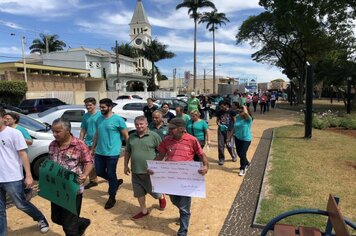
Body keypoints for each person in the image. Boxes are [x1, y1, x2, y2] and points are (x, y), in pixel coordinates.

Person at [150, 118, 208, 236]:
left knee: (184, 208)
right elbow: (160, 155)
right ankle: (183, 211)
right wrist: (153, 167)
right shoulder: (167, 140)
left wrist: (206, 167)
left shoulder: (192, 140)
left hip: (186, 178)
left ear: (181, 129)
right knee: (175, 201)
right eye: (169, 128)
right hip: (171, 179)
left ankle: (182, 232)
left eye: (172, 128)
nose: (169, 130)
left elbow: (201, 154)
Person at [0, 109, 49, 235]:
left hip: (12, 177)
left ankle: (40, 218)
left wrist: (28, 175)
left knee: (20, 204)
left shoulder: (14, 133)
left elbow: (23, 154)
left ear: (3, 118)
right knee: (0, 210)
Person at [49, 118, 93, 235]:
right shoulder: (52, 145)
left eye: (57, 131)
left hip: (72, 190)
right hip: (57, 189)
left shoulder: (79, 145)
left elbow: (89, 162)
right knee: (56, 218)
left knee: (69, 228)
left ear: (67, 130)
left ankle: (75, 226)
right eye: (53, 131)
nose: (54, 134)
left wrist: (84, 175)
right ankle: (82, 222)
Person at [124, 116, 166, 220]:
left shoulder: (154, 136)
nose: (139, 126)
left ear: (147, 124)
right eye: (137, 124)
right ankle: (144, 210)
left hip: (151, 172)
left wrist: (159, 166)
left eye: (141, 124)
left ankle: (161, 196)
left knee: (155, 193)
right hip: (136, 171)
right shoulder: (132, 137)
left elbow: (162, 152)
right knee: (139, 193)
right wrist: (125, 165)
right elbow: (127, 151)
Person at [92, 98, 129, 209]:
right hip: (99, 151)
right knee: (99, 171)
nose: (101, 109)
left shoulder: (118, 120)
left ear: (110, 107)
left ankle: (112, 196)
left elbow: (126, 136)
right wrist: (92, 148)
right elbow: (97, 134)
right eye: (100, 107)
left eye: (103, 107)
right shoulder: (99, 119)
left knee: (111, 173)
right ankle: (115, 182)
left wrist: (130, 149)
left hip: (112, 152)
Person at [80, 97, 101, 190]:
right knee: (89, 161)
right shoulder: (85, 116)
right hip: (88, 142)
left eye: (90, 105)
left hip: (100, 142)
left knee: (101, 162)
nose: (88, 107)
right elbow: (83, 129)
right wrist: (80, 141)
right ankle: (93, 180)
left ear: (94, 105)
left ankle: (111, 177)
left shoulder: (100, 115)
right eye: (86, 105)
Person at [229, 105, 253, 176]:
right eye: (239, 110)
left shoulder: (249, 119)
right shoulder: (237, 117)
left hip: (246, 139)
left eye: (241, 110)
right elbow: (234, 128)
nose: (239, 112)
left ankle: (242, 168)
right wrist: (229, 137)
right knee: (239, 153)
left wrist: (244, 107)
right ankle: (247, 163)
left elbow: (246, 113)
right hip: (237, 138)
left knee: (242, 153)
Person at [215, 101, 237, 165]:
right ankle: (221, 159)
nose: (221, 108)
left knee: (229, 144)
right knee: (220, 145)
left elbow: (235, 121)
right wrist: (220, 125)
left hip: (230, 130)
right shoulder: (219, 112)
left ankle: (233, 155)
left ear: (226, 105)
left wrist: (234, 130)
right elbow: (217, 121)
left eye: (222, 106)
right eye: (220, 106)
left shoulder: (232, 112)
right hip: (221, 130)